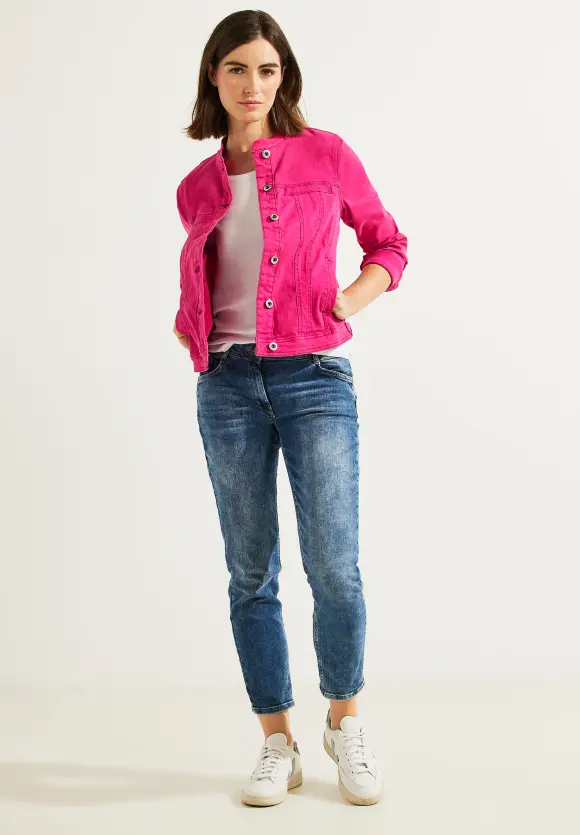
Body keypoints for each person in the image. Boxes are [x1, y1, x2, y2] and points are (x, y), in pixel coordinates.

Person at [173, 9, 408, 808]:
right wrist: (190, 325)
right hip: (227, 385)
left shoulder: (326, 154)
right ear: (214, 76)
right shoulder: (196, 186)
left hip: (313, 376)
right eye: (237, 68)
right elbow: (212, 277)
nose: (253, 84)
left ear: (284, 78)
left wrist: (349, 297)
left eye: (267, 70)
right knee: (250, 572)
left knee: (334, 565)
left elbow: (388, 243)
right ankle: (277, 740)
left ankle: (345, 722)